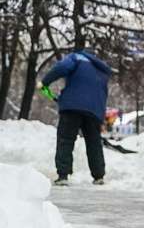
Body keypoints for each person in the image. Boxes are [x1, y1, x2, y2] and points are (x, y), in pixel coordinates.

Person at [39, 51, 113, 186]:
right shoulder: (102, 69)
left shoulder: (76, 58)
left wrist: (44, 82)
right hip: (95, 110)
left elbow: (61, 68)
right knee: (94, 142)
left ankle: (63, 175)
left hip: (72, 105)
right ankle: (98, 176)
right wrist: (101, 118)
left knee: (66, 139)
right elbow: (104, 94)